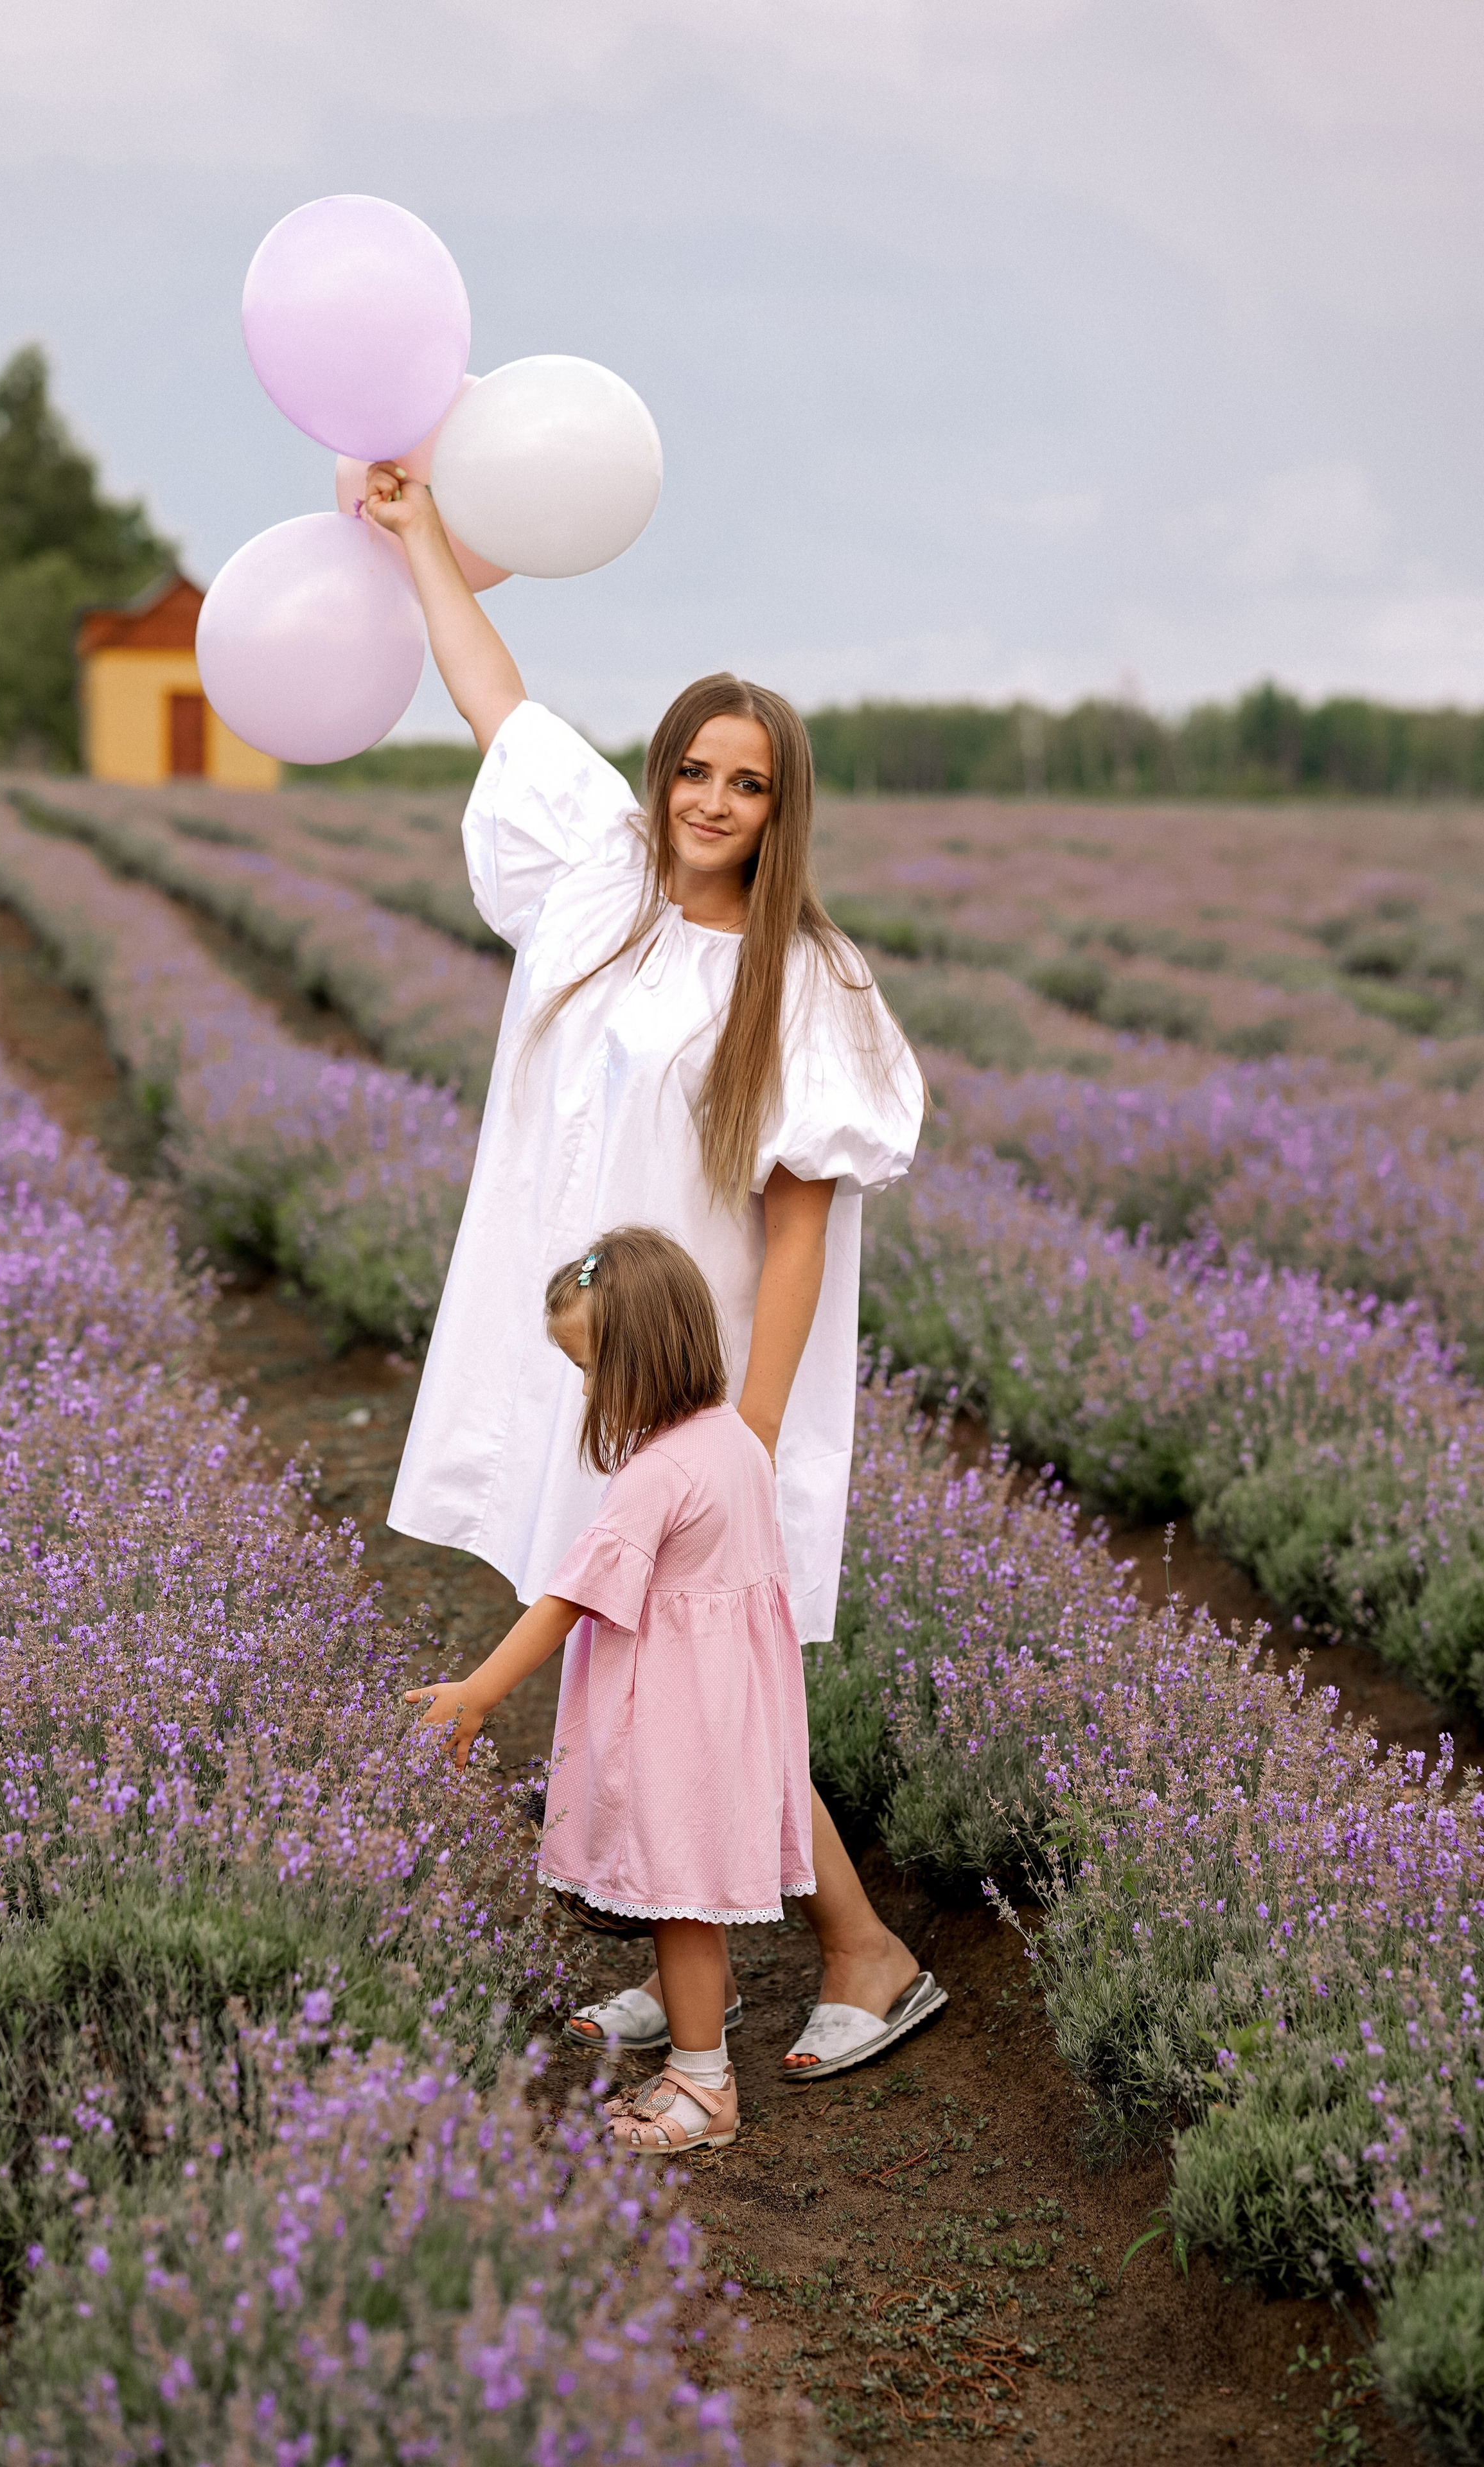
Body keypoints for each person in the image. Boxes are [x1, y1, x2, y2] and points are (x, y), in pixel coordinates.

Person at [367, 457, 946, 2080]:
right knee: (624, 1657)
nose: (708, 801)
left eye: (745, 783)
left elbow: (797, 1226)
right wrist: (421, 541)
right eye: (692, 769)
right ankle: (675, 1946)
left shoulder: (807, 980)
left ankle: (863, 1949)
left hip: (698, 1401)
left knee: (709, 1682)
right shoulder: (597, 877)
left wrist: (741, 1442)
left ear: (782, 807)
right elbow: (497, 703)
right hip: (581, 1359)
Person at [410, 1226, 827, 2153]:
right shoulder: (733, 1445)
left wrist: (478, 1692)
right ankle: (700, 2034)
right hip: (730, 1713)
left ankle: (703, 2089)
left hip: (677, 1720)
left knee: (678, 1900)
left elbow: (568, 1597)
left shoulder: (659, 1474)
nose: (591, 1393)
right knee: (690, 1898)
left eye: (596, 1371)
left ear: (647, 1357)